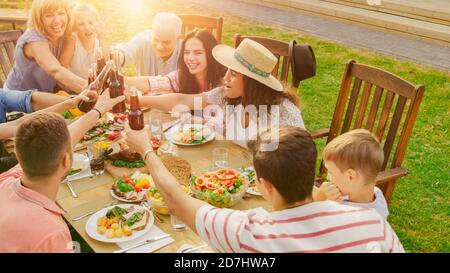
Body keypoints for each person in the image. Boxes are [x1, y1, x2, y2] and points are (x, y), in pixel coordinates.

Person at [124, 125, 404, 253]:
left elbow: (174, 197)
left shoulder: (247, 232)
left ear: (264, 186)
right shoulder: (374, 224)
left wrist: (146, 149)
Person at [0, 90, 125, 253]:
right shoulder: (51, 233)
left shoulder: (7, 180)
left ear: (19, 155)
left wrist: (98, 110)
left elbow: (66, 139)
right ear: (66, 161)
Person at [136, 38, 305, 144]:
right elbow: (183, 101)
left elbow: (302, 158)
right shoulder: (227, 95)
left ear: (252, 82)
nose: (225, 78)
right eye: (227, 71)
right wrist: (137, 101)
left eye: (234, 74)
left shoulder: (285, 111)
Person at [4, 0, 87, 93]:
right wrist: (90, 87)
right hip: (17, 99)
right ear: (39, 19)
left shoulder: (62, 34)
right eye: (49, 15)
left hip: (42, 96)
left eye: (61, 13)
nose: (57, 21)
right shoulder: (34, 40)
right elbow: (56, 71)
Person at [313, 129, 389, 219]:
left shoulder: (344, 215)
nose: (328, 178)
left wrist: (318, 201)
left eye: (330, 172)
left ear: (350, 176)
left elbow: (306, 225)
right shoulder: (376, 194)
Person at [125, 28, 225, 95]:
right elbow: (150, 83)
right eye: (186, 52)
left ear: (211, 54)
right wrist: (118, 80)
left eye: (198, 53)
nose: (190, 58)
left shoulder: (224, 81)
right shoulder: (181, 76)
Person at [115, 12, 182, 77]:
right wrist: (120, 56)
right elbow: (128, 49)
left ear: (178, 38)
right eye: (156, 40)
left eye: (166, 42)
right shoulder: (143, 40)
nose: (159, 47)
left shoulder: (185, 50)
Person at [59, 3, 108, 79]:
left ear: (97, 23)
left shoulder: (98, 43)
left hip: (90, 86)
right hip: (71, 87)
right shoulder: (73, 40)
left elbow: (107, 63)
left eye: (91, 23)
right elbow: (62, 69)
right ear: (75, 26)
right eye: (81, 24)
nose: (87, 27)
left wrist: (101, 36)